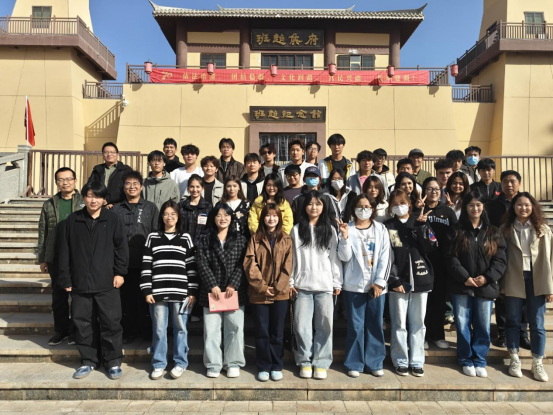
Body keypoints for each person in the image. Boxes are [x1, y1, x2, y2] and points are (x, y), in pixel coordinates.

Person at [58, 181, 128, 380]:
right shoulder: (73, 220)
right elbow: (64, 251)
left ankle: (113, 361)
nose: (93, 200)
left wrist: (120, 273)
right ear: (83, 197)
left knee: (111, 323)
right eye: (89, 196)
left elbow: (121, 248)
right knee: (83, 323)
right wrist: (65, 278)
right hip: (80, 283)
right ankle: (88, 360)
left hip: (107, 282)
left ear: (104, 199)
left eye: (97, 196)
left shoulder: (112, 219)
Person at [445, 191, 507, 378]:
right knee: (462, 323)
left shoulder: (493, 232)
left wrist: (486, 278)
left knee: (482, 324)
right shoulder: (456, 230)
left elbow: (500, 260)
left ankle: (479, 359)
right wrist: (464, 277)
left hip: (485, 286)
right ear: (465, 207)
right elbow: (450, 257)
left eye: (478, 205)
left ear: (483, 207)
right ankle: (465, 358)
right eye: (471, 205)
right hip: (461, 286)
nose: (475, 208)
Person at [140, 200, 199, 380]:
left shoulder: (185, 238)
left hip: (181, 293)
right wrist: (147, 290)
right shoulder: (152, 237)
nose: (169, 217)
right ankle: (159, 363)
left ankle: (180, 362)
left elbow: (191, 267)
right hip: (157, 292)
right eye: (166, 214)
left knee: (181, 328)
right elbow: (146, 266)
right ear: (161, 217)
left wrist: (192, 291)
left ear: (178, 217)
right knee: (159, 328)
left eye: (173, 214)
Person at [337, 193, 391, 378]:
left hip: (376, 286)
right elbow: (344, 257)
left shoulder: (381, 229)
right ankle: (354, 362)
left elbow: (386, 257)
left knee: (375, 324)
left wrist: (380, 282)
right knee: (355, 326)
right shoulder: (348, 228)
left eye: (367, 207)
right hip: (354, 286)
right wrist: (344, 237)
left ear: (373, 209)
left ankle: (375, 362)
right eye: (359, 207)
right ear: (353, 209)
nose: (363, 210)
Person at [501, 193, 553, 382]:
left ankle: (537, 361)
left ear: (533, 207)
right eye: (519, 205)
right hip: (514, 277)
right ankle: (514, 358)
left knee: (537, 322)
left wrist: (550, 287)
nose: (523, 208)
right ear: (513, 207)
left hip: (537, 278)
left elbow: (551, 258)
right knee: (513, 320)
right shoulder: (505, 229)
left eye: (527, 205)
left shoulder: (543, 229)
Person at [290, 191, 342, 380]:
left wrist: (337, 281)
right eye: (310, 204)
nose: (314, 207)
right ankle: (304, 361)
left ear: (323, 207)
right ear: (305, 207)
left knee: (325, 326)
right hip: (302, 285)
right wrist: (290, 281)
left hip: (325, 286)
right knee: (301, 326)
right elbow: (292, 258)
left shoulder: (330, 230)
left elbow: (334, 258)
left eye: (318, 204)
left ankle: (321, 362)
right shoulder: (297, 230)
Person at [385, 190, 435, 377]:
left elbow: (431, 246)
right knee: (399, 323)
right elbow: (386, 256)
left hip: (421, 279)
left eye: (402, 203)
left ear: (410, 204)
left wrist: (421, 227)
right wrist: (393, 279)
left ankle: (417, 360)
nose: (399, 207)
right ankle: (400, 359)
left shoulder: (420, 221)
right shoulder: (388, 226)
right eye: (395, 204)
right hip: (398, 281)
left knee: (418, 323)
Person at [196, 203, 248, 378]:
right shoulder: (205, 238)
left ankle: (233, 362)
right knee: (211, 329)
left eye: (226, 215)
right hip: (212, 292)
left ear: (231, 218)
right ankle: (213, 364)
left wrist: (233, 284)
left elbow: (243, 264)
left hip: (234, 291)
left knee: (235, 328)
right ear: (213, 218)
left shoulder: (240, 239)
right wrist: (212, 285)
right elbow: (201, 263)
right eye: (218, 215)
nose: (222, 218)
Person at [244, 203, 292, 382]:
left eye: (274, 215)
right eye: (267, 215)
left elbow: (289, 265)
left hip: (281, 293)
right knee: (262, 332)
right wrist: (263, 287)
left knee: (277, 332)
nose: (271, 219)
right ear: (262, 218)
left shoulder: (286, 239)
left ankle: (277, 365)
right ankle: (263, 366)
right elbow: (250, 264)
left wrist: (278, 287)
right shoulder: (255, 239)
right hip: (259, 293)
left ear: (279, 218)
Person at [38, 167, 85, 346]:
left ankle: (75, 331)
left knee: (78, 296)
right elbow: (43, 231)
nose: (65, 183)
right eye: (61, 179)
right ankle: (61, 330)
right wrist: (43, 258)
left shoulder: (83, 201)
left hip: (79, 256)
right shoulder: (49, 204)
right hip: (56, 257)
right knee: (59, 296)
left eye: (68, 179)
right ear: (56, 182)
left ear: (75, 180)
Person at [113, 171, 159, 344]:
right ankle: (129, 332)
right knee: (126, 300)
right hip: (122, 263)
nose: (131, 187)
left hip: (145, 263)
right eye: (128, 184)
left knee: (145, 299)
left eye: (135, 184)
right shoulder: (116, 209)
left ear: (141, 187)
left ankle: (146, 331)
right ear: (123, 187)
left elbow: (156, 233)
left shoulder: (150, 208)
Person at [486, 170, 530, 349]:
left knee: (525, 297)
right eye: (505, 181)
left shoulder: (526, 202)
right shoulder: (492, 205)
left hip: (523, 255)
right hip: (501, 254)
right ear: (500, 184)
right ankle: (503, 332)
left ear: (519, 183)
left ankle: (522, 333)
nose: (509, 185)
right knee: (502, 295)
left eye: (512, 181)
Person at [420, 177, 458, 350]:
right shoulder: (419, 209)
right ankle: (423, 336)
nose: (433, 192)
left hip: (442, 263)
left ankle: (437, 335)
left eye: (437, 189)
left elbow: (456, 235)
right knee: (423, 302)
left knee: (439, 301)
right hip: (422, 262)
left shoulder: (447, 212)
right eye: (429, 188)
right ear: (424, 191)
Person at [87, 142, 132, 208]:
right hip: (99, 205)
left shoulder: (126, 170)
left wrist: (110, 201)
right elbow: (90, 186)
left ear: (117, 154)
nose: (109, 154)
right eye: (106, 152)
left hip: (119, 206)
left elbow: (127, 189)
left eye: (112, 152)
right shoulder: (97, 170)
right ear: (103, 155)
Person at [179, 174, 212, 246]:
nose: (195, 190)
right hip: (183, 244)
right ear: (188, 188)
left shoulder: (207, 207)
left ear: (202, 188)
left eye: (197, 187)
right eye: (192, 186)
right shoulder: (181, 206)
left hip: (201, 246)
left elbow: (209, 228)